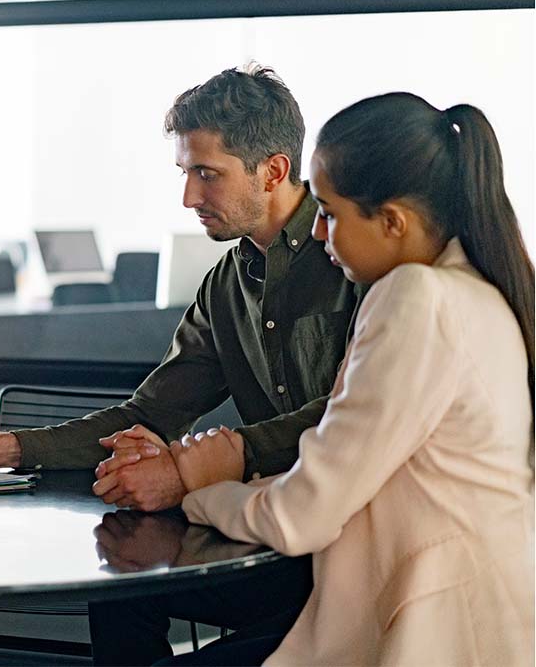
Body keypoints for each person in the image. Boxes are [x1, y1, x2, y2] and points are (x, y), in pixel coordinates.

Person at [0, 64, 360, 665]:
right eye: (185, 173)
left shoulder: (353, 261)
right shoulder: (225, 286)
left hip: (350, 559)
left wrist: (187, 468)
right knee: (121, 576)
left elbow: (344, 418)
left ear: (274, 171)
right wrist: (5, 449)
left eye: (207, 174)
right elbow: (150, 413)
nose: (189, 197)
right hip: (273, 547)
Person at [162, 92, 534, 665]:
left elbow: (299, 518)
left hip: (436, 628)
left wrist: (200, 491)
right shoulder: (474, 292)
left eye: (331, 214)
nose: (316, 233)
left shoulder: (415, 298)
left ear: (392, 222)